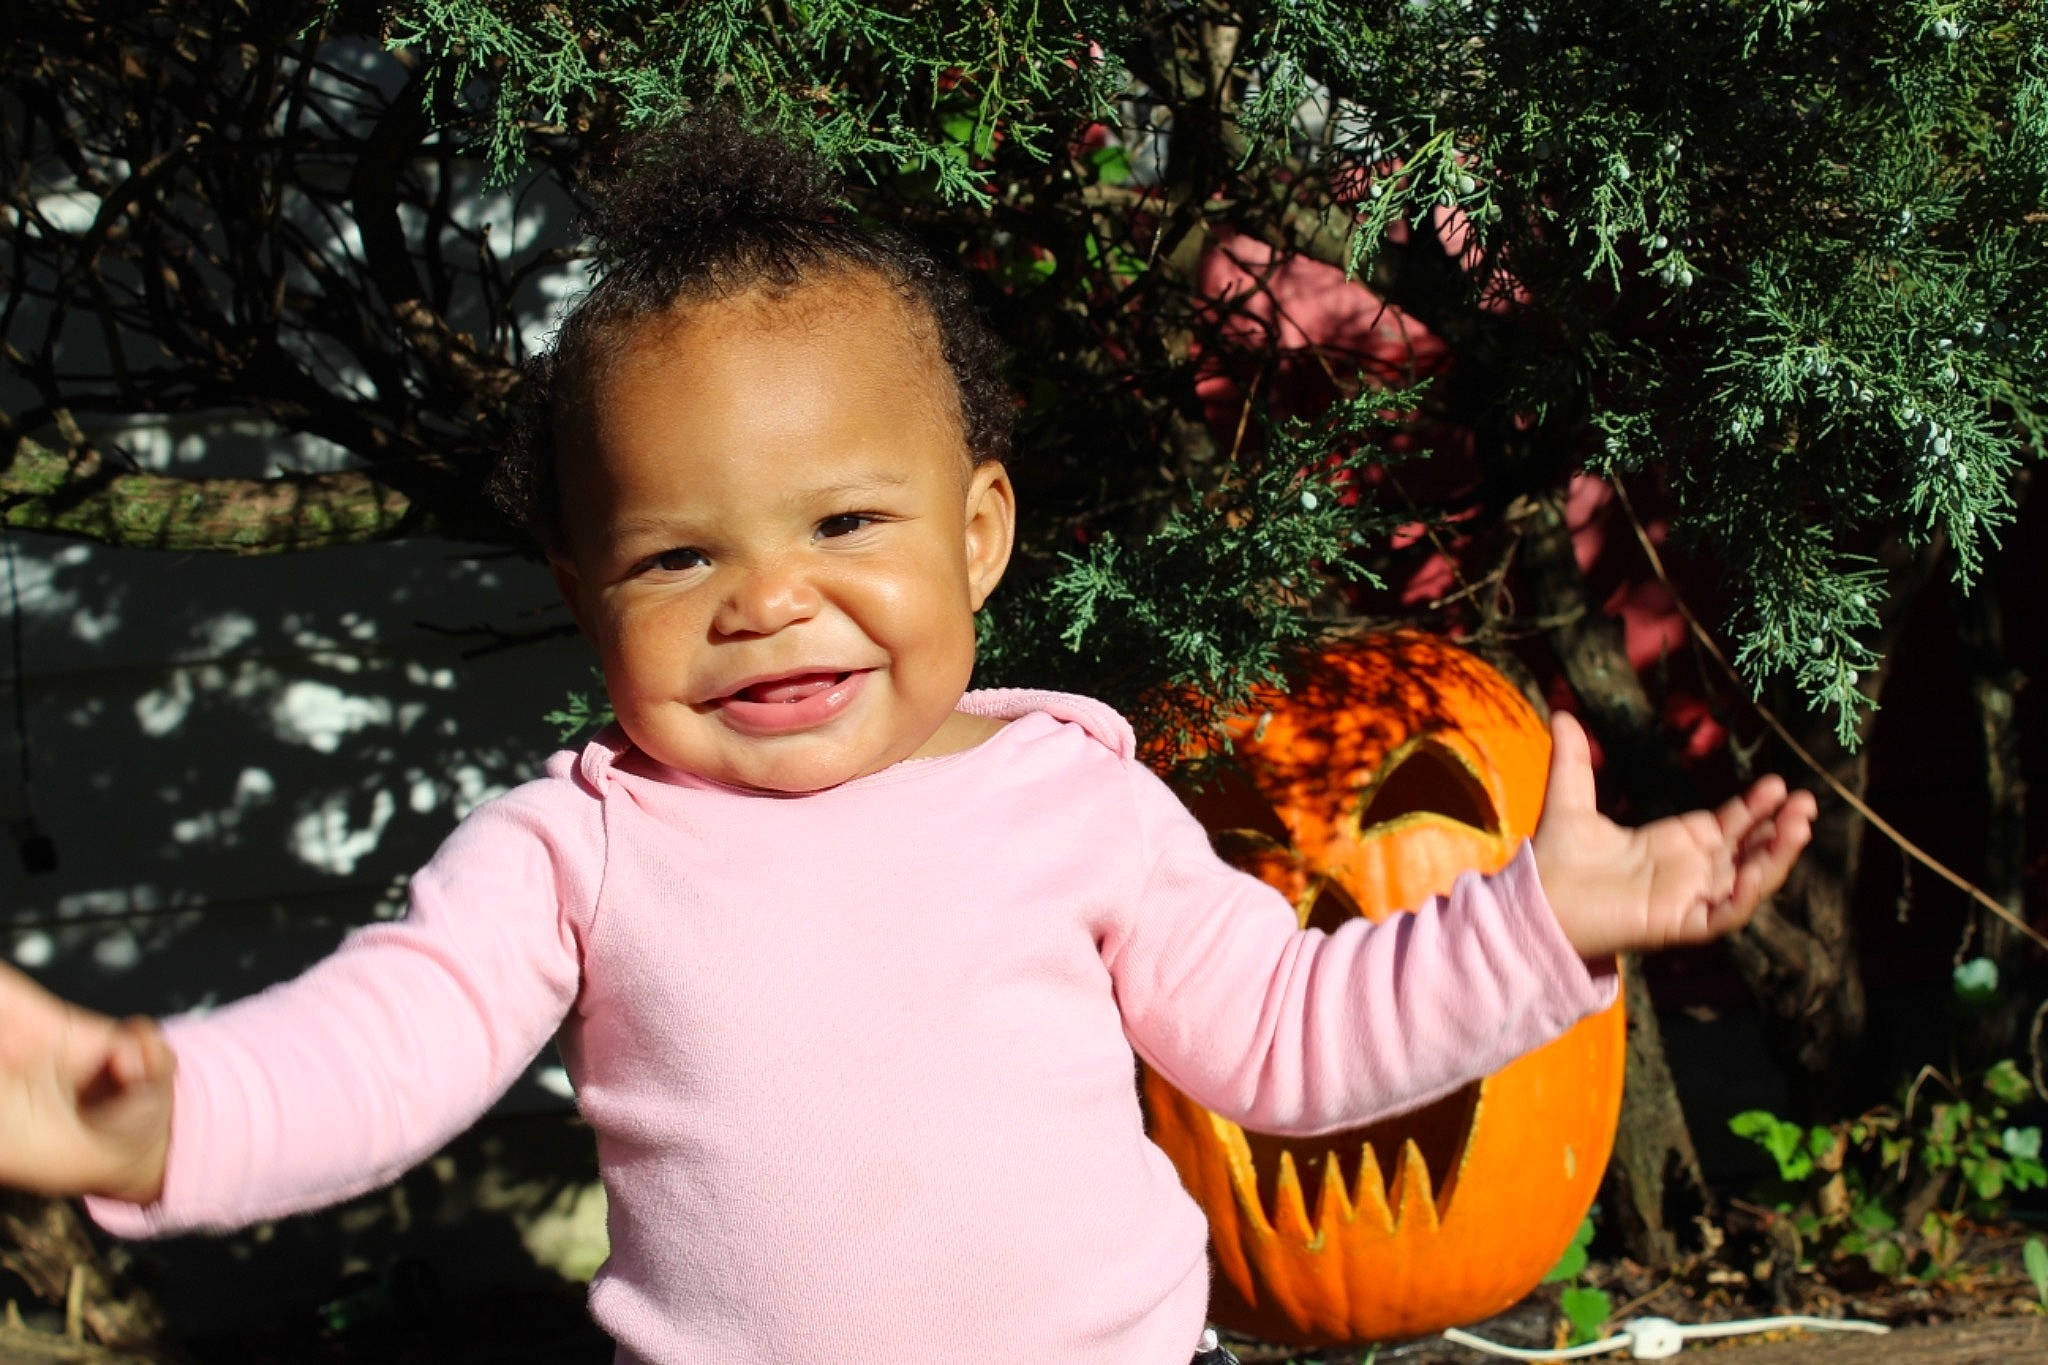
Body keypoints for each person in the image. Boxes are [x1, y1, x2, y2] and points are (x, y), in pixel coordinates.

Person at [0, 116, 1817, 1365]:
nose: (768, 600)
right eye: (678, 553)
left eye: (843, 527)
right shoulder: (580, 847)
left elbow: (1289, 1036)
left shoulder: (1070, 802)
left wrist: (1542, 921)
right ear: (581, 586)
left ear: (978, 534)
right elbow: (380, 1048)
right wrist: (152, 1114)